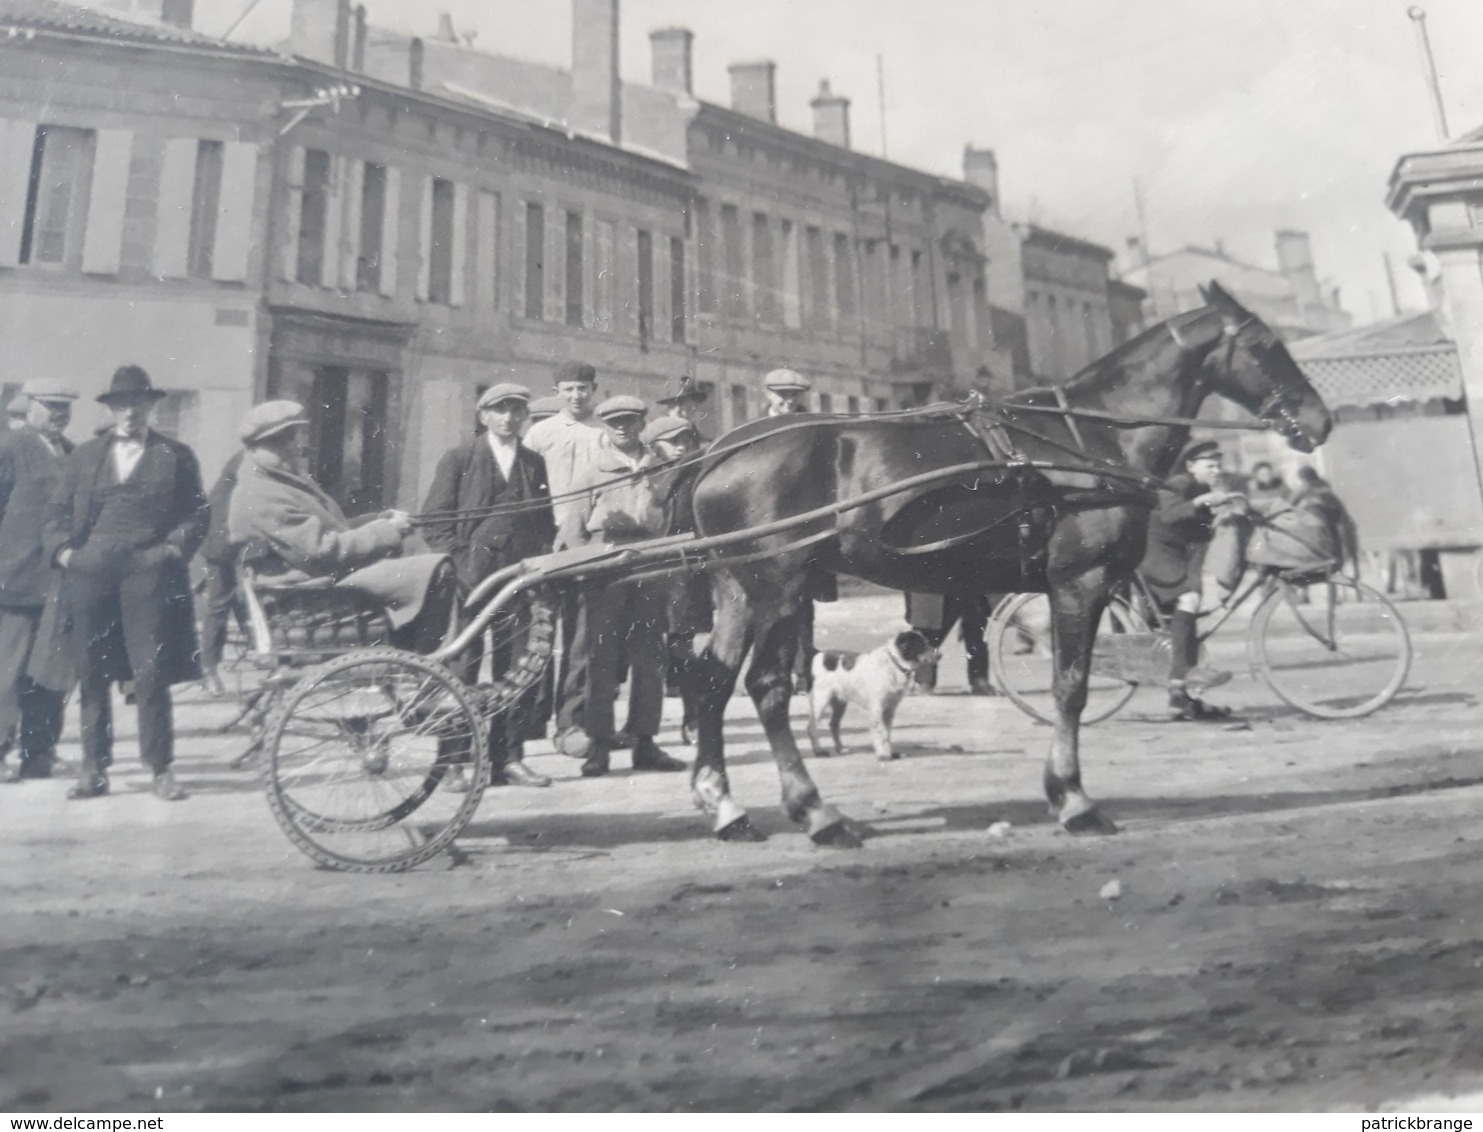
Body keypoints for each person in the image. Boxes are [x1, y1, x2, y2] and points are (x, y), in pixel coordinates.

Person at [41, 366, 209, 801]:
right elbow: (55, 514)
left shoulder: (177, 455)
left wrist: (171, 551)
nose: (129, 412)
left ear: (151, 407)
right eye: (121, 405)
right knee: (91, 672)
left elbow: (197, 514)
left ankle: (160, 769)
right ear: (111, 409)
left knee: (150, 671)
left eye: (137, 404)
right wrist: (65, 553)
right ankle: (94, 770)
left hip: (147, 572)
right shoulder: (85, 457)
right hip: (90, 572)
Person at [228, 401, 458, 656]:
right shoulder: (261, 492)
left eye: (293, 437)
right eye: (282, 442)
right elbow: (323, 548)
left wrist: (380, 520)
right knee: (439, 569)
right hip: (315, 584)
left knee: (412, 543)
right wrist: (386, 531)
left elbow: (333, 528)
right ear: (255, 447)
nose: (293, 448)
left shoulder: (280, 480)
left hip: (323, 574)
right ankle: (426, 661)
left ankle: (411, 647)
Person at [421, 383, 556, 789]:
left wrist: (537, 562)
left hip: (518, 580)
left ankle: (508, 758)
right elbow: (435, 519)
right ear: (483, 416)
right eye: (500, 410)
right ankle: (454, 761)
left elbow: (545, 519)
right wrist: (460, 563)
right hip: (470, 582)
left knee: (516, 669)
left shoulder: (533, 462)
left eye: (517, 410)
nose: (509, 418)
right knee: (460, 668)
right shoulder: (460, 459)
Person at [559, 396, 687, 778]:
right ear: (604, 425)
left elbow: (675, 516)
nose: (622, 427)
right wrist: (587, 565)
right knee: (601, 659)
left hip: (649, 563)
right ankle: (598, 745)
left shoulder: (662, 466)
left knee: (650, 658)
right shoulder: (591, 470)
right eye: (614, 421)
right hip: (605, 567)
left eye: (630, 420)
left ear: (640, 423)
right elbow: (572, 527)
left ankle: (645, 742)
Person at [0, 381, 77, 782]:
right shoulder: (11, 449)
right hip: (13, 580)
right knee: (7, 671)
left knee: (50, 672)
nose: (59, 414)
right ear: (30, 406)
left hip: (58, 581)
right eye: (50, 406)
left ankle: (40, 752)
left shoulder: (72, 453)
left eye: (65, 407)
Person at [1140, 439, 1240, 721]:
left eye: (1219, 465)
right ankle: (1177, 683)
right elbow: (1171, 515)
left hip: (1181, 555)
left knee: (1190, 618)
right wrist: (1201, 501)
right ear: (1191, 466)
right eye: (1210, 466)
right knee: (1189, 599)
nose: (1216, 470)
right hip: (1156, 551)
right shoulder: (1179, 484)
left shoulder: (1206, 487)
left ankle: (1187, 701)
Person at [761, 367, 831, 692]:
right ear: (767, 395)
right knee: (768, 606)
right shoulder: (755, 430)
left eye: (794, 395)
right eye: (781, 394)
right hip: (766, 527)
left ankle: (804, 674)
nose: (788, 401)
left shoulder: (813, 428)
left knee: (802, 605)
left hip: (805, 525)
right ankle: (774, 671)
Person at [643, 414, 707, 742]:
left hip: (684, 572)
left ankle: (692, 718)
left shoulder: (698, 474)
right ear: (655, 447)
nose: (682, 447)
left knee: (683, 650)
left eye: (686, 440)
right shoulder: (645, 474)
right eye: (674, 441)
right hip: (648, 571)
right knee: (646, 654)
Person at [198, 449, 247, 696]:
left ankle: (257, 648)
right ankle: (208, 670)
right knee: (219, 604)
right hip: (220, 538)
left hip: (231, 535)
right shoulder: (247, 460)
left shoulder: (247, 456)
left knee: (240, 599)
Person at [903, 591, 994, 695]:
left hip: (969, 586)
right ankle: (923, 681)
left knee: (976, 630)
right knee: (927, 631)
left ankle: (979, 680)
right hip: (933, 586)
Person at [1291, 466, 1359, 570]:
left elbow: (1293, 501)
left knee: (1317, 535)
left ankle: (1321, 559)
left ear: (1303, 478)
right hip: (1335, 513)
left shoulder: (1307, 486)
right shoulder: (1324, 483)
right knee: (1334, 537)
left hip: (1322, 515)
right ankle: (1337, 560)